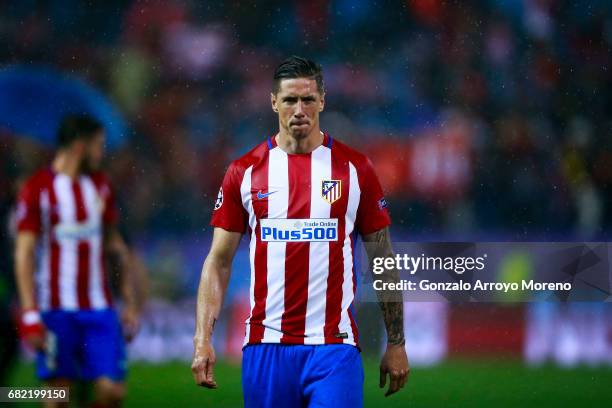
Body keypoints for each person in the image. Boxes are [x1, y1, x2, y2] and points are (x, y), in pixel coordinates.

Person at [192, 56, 409, 407]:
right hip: (266, 348)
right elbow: (218, 262)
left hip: (334, 348)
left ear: (322, 101)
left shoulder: (356, 170)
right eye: (290, 99)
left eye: (308, 99)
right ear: (273, 102)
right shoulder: (244, 172)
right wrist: (202, 339)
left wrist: (396, 343)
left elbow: (382, 260)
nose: (299, 109)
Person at [14, 115, 140, 408]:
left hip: (99, 308)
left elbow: (114, 246)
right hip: (55, 310)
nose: (102, 153)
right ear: (80, 147)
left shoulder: (100, 186)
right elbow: (24, 252)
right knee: (57, 396)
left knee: (112, 392)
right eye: (99, 145)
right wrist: (30, 313)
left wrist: (129, 301)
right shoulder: (37, 189)